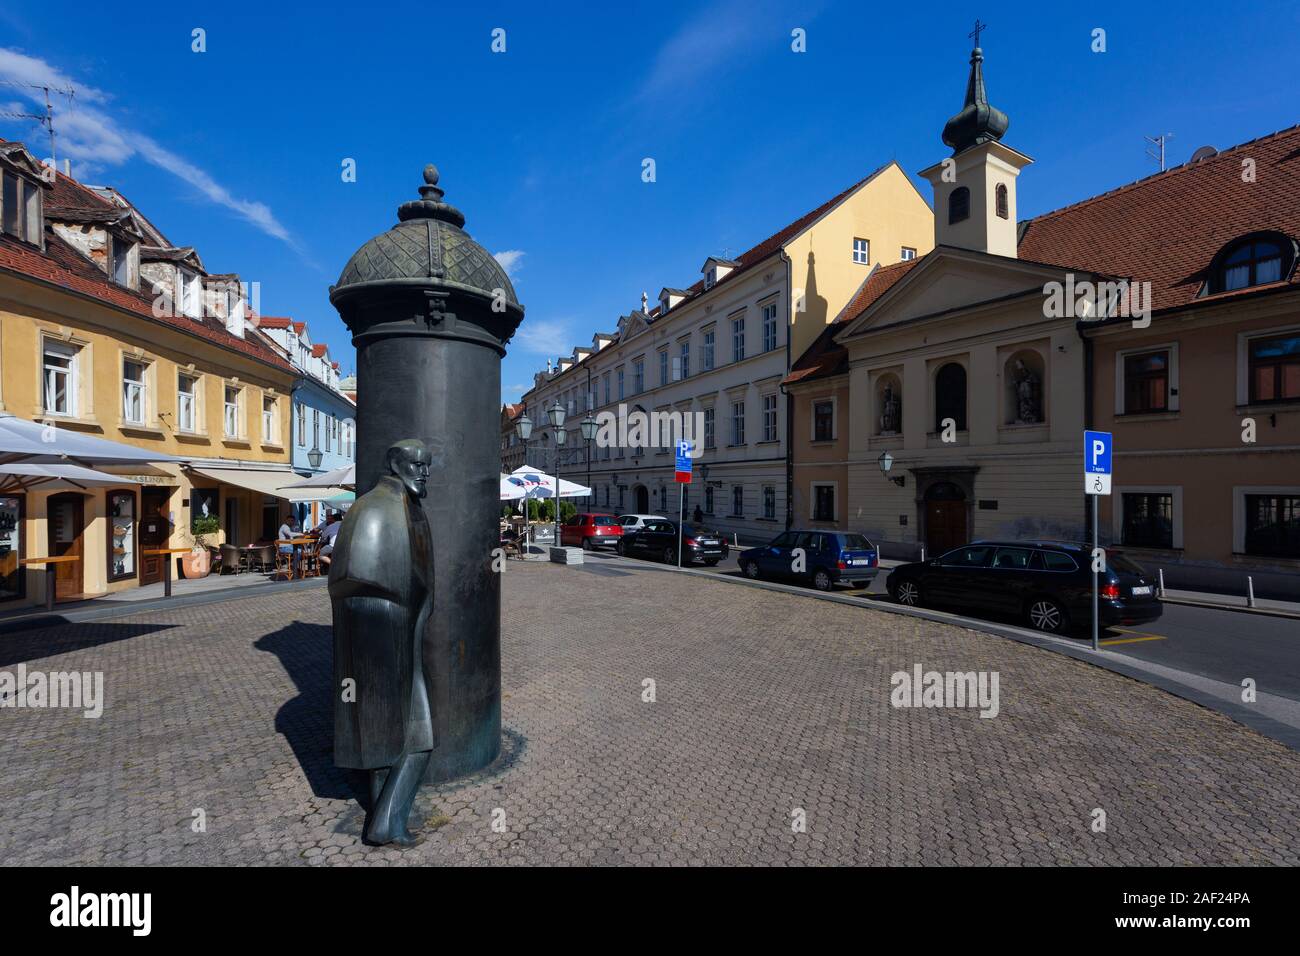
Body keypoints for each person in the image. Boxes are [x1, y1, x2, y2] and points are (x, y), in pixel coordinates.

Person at [328, 439, 435, 846]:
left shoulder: (409, 508)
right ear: (394, 462)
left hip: (405, 626)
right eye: (416, 464)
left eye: (428, 465)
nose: (424, 472)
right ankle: (386, 823)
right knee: (385, 727)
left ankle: (385, 821)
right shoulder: (373, 507)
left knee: (418, 731)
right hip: (381, 632)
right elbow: (350, 576)